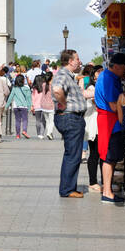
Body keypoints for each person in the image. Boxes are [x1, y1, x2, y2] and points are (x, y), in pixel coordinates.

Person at [94, 52, 125, 204]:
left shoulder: (107, 76)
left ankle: (107, 190)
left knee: (111, 157)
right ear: (116, 66)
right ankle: (107, 192)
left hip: (109, 121)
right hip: (111, 123)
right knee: (109, 158)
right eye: (124, 68)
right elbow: (113, 106)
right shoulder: (108, 79)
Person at [51, 49, 86, 199]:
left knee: (73, 153)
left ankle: (69, 187)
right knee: (73, 154)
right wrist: (63, 103)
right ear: (70, 61)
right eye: (77, 59)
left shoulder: (70, 76)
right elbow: (57, 90)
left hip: (72, 117)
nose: (79, 61)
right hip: (70, 117)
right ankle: (67, 189)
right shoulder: (63, 75)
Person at [83, 64, 102, 192]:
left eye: (102, 71)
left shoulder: (100, 86)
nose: (100, 74)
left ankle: (99, 181)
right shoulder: (91, 87)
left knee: (100, 153)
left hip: (100, 122)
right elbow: (97, 102)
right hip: (94, 123)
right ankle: (93, 181)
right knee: (94, 153)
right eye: (98, 71)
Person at [7, 71, 31, 138]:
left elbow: (10, 98)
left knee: (17, 120)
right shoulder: (26, 88)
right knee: (25, 120)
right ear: (23, 81)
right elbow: (29, 99)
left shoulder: (14, 88)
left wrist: (6, 106)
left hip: (16, 106)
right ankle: (24, 131)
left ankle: (17, 135)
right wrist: (30, 107)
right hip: (24, 106)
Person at [30, 74, 53, 139]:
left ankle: (38, 134)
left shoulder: (34, 89)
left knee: (37, 120)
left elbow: (33, 98)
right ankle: (42, 134)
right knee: (43, 121)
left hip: (36, 106)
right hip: (44, 105)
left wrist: (32, 105)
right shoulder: (44, 87)